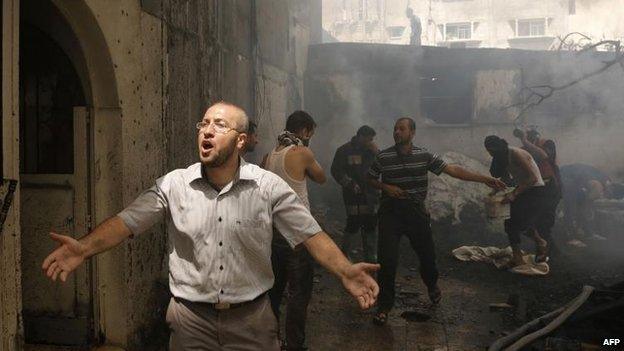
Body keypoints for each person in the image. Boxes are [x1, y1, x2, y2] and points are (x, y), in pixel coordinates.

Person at [42, 102, 380, 351]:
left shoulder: (268, 186)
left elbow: (310, 234)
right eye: (203, 123)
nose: (207, 130)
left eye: (220, 125)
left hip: (252, 323)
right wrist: (84, 247)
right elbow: (127, 221)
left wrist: (345, 270)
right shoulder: (173, 185)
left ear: (241, 141)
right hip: (190, 325)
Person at [368, 118, 505, 326]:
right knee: (387, 261)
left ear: (412, 133)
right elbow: (368, 178)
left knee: (427, 257)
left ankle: (431, 285)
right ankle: (384, 307)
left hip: (416, 213)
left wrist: (484, 178)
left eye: (401, 129)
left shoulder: (423, 155)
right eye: (395, 128)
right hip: (390, 214)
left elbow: (453, 170)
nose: (397, 132)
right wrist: (385, 188)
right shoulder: (383, 156)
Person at [261, 110, 326, 351]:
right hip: (298, 235)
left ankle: (270, 341)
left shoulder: (268, 157)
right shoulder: (303, 153)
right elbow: (321, 178)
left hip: (273, 233)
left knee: (274, 291)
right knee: (299, 293)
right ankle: (294, 345)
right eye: (311, 133)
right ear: (305, 131)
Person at [484, 135, 549, 267]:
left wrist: (513, 194)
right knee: (513, 223)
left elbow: (532, 179)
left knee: (516, 224)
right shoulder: (502, 157)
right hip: (523, 189)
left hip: (536, 191)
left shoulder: (515, 153)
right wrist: (495, 191)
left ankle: (533, 247)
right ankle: (524, 253)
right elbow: (506, 179)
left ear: (496, 148)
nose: (490, 154)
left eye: (490, 151)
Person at [331, 125, 379, 263]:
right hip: (353, 196)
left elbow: (382, 166)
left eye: (372, 140)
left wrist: (377, 153)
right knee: (353, 223)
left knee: (370, 224)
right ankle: (345, 255)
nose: (370, 142)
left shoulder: (372, 151)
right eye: (368, 139)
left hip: (371, 196)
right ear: (360, 137)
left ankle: (371, 257)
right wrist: (349, 184)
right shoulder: (344, 150)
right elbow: (336, 171)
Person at [513, 128, 561, 254]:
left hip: (551, 188)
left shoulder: (547, 144)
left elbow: (543, 155)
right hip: (536, 189)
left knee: (544, 221)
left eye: (528, 136)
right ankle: (547, 249)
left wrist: (525, 141)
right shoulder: (523, 149)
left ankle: (548, 252)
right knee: (534, 220)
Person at [560, 163, 624, 239]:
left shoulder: (605, 180)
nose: (608, 197)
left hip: (568, 174)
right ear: (612, 191)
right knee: (572, 207)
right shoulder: (599, 186)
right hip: (567, 177)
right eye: (610, 196)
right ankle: (571, 236)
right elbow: (586, 203)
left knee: (576, 205)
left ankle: (584, 232)